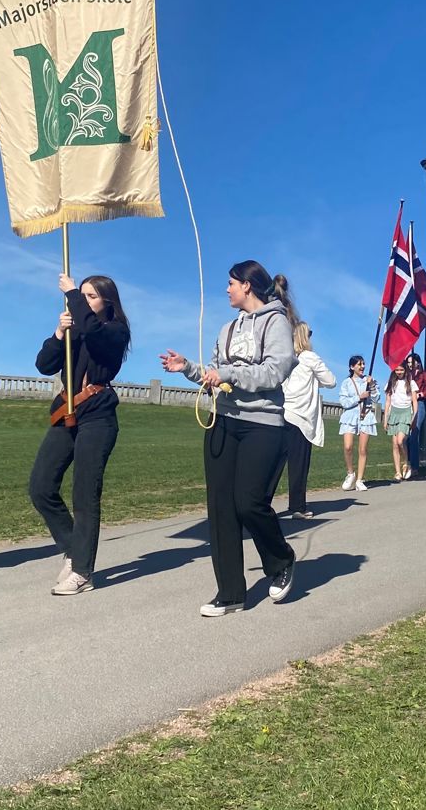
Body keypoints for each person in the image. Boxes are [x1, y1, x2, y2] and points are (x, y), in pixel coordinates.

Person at [160, 261, 299, 617]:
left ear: (247, 286)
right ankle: (230, 593)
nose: (227, 290)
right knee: (221, 508)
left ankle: (281, 560)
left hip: (262, 423)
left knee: (248, 502)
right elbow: (214, 374)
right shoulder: (226, 329)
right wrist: (188, 368)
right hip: (222, 422)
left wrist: (230, 374)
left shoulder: (276, 322)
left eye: (231, 284)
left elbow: (275, 371)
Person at [28, 274, 131, 596]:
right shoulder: (75, 330)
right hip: (66, 412)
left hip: (98, 415)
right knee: (41, 486)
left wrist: (72, 293)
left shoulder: (115, 330)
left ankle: (83, 572)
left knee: (85, 493)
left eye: (91, 296)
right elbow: (44, 365)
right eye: (81, 295)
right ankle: (74, 548)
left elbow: (95, 333)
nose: (83, 301)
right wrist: (59, 334)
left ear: (107, 302)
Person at [272, 322, 336, 519]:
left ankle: (260, 503)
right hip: (301, 416)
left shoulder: (286, 358)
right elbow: (331, 381)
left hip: (283, 412)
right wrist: (315, 379)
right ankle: (297, 506)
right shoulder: (310, 357)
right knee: (298, 464)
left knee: (275, 463)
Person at [337, 356, 378, 491]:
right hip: (350, 417)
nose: (362, 367)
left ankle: (360, 479)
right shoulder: (346, 383)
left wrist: (372, 386)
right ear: (352, 367)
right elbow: (344, 402)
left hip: (366, 416)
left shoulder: (369, 381)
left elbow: (376, 398)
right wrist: (359, 397)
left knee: (363, 449)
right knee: (348, 446)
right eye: (359, 364)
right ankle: (350, 474)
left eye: (363, 364)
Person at [382, 360, 419, 482]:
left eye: (401, 370)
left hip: (406, 412)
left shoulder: (411, 383)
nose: (399, 372)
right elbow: (388, 401)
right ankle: (398, 472)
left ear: (405, 370)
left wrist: (414, 417)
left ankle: (406, 462)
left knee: (400, 441)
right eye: (397, 370)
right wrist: (385, 419)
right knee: (394, 444)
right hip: (394, 413)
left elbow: (414, 401)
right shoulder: (391, 383)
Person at [403, 353, 426, 476]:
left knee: (414, 433)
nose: (410, 364)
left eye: (412, 362)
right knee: (405, 436)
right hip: (407, 404)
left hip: (420, 404)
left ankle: (414, 467)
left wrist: (421, 394)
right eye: (408, 362)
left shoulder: (424, 375)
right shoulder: (406, 375)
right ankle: (406, 463)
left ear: (418, 362)